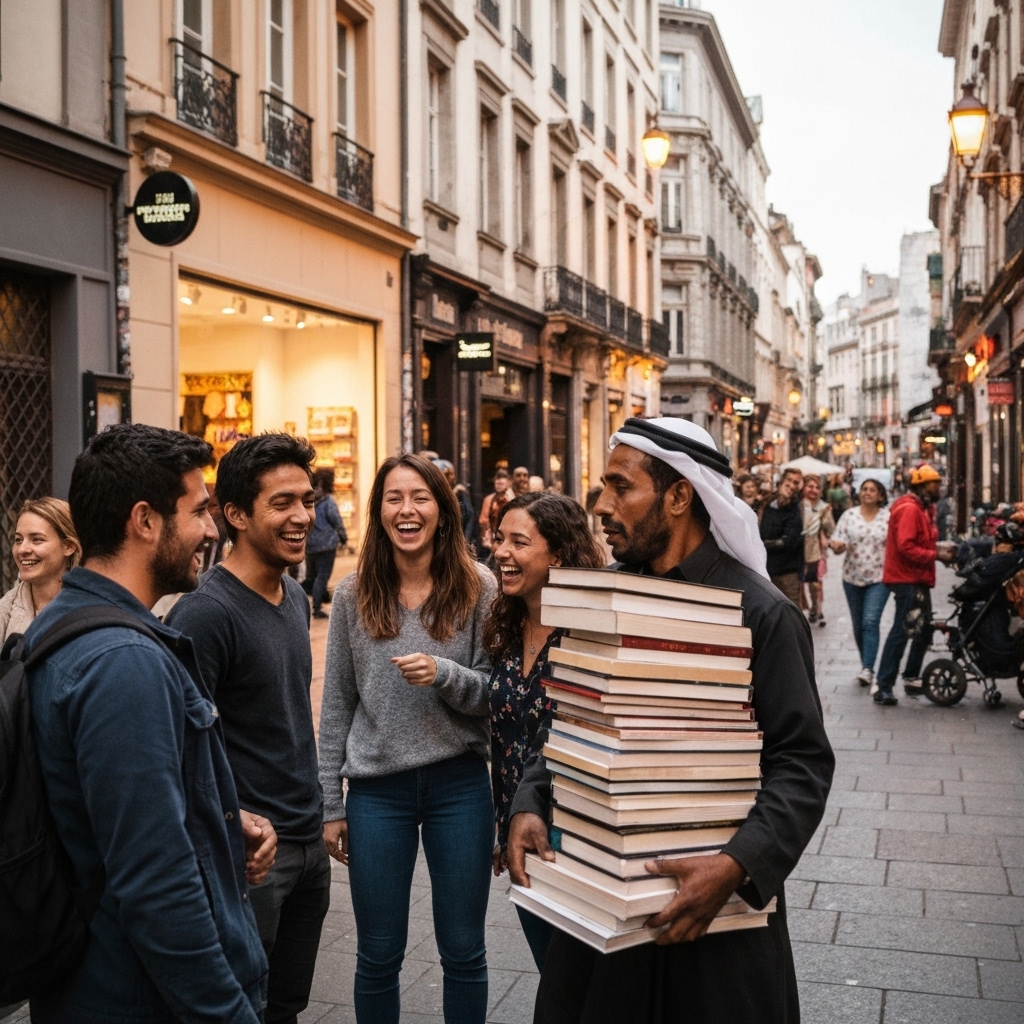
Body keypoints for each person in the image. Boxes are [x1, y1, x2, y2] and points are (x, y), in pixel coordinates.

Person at [505, 417, 833, 1024]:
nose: (601, 504)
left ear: (680, 495)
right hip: (600, 922)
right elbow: (568, 717)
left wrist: (735, 866)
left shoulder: (763, 616)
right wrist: (530, 799)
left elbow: (803, 764)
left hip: (717, 934)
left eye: (620, 487)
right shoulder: (598, 600)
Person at [27, 423, 273, 1023]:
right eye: (199, 511)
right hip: (134, 997)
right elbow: (157, 884)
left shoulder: (67, 621)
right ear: (145, 520)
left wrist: (211, 814)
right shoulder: (123, 664)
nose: (211, 530)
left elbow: (101, 805)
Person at [319, 454, 497, 1024]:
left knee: (464, 949)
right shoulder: (353, 594)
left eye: (420, 497)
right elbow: (337, 703)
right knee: (377, 953)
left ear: (442, 512)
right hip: (377, 793)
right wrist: (329, 802)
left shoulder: (479, 587)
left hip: (460, 787)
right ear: (379, 514)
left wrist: (444, 675)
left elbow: (497, 695)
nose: (407, 510)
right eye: (393, 499)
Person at [166, 434, 330, 1024]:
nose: (302, 517)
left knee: (286, 1005)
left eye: (307, 500)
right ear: (234, 514)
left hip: (307, 843)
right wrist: (233, 828)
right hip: (251, 855)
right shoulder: (205, 613)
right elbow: (187, 748)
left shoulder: (293, 595)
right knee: (243, 1005)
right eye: (282, 503)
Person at [486, 493, 605, 970]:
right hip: (520, 833)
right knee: (551, 972)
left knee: (576, 979)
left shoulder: (588, 632)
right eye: (499, 540)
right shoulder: (507, 626)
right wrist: (503, 826)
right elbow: (503, 740)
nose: (501, 552)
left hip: (575, 837)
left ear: (558, 554)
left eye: (519, 542)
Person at [874, 464, 953, 705]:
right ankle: (884, 685)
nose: (938, 487)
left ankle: (911, 677)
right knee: (902, 631)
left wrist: (937, 551)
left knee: (923, 629)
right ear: (922, 486)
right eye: (934, 483)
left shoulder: (924, 507)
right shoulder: (910, 509)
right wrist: (936, 555)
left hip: (916, 578)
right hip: (906, 580)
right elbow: (906, 546)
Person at [830, 478, 891, 690]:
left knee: (870, 621)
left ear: (881, 495)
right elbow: (837, 541)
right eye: (864, 489)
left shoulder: (888, 517)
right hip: (852, 577)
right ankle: (866, 661)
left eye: (873, 490)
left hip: (879, 578)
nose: (867, 493)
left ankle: (868, 668)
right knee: (858, 624)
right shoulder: (849, 516)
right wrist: (837, 546)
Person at [0, 496, 81, 643]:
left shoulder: (90, 609)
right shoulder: (5, 611)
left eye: (37, 539)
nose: (22, 549)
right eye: (18, 540)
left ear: (68, 546)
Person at [303, 467, 348, 619]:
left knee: (313, 576)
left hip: (310, 545)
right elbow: (336, 521)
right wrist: (343, 537)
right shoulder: (328, 501)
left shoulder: (307, 500)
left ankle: (314, 602)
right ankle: (317, 608)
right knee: (322, 576)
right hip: (327, 544)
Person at [758, 467, 804, 603]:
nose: (791, 485)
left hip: (787, 572)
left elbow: (789, 541)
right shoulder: (767, 504)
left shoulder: (796, 510)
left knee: (791, 612)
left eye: (795, 482)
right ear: (782, 481)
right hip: (767, 569)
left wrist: (765, 544)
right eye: (789, 480)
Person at [800, 475, 835, 627]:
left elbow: (830, 529)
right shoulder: (798, 506)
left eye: (817, 487)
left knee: (816, 583)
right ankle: (801, 610)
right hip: (799, 549)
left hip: (816, 549)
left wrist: (826, 518)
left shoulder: (824, 507)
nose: (813, 490)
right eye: (810, 487)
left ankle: (816, 609)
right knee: (800, 583)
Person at [436, 458, 479, 552]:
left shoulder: (459, 492)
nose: (451, 477)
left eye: (451, 474)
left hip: (456, 537)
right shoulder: (435, 493)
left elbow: (470, 516)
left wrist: (466, 539)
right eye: (447, 475)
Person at [478, 468, 512, 554]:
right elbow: (483, 520)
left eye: (501, 483)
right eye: (497, 483)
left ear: (508, 483)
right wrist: (486, 536)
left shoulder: (512, 499)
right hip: (492, 537)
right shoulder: (489, 499)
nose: (499, 485)